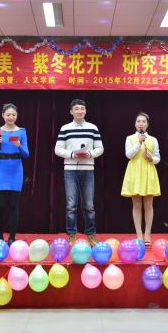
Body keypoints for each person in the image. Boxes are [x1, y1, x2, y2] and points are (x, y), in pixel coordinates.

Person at [54, 99, 104, 246]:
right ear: (71, 111)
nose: (79, 111)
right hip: (70, 170)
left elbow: (100, 148)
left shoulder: (93, 128)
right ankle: (71, 235)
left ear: (85, 111)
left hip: (88, 169)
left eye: (82, 108)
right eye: (76, 109)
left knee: (89, 205)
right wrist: (72, 154)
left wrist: (89, 154)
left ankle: (91, 235)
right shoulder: (65, 128)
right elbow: (57, 149)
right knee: (71, 205)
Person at [0, 103, 29, 245]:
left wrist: (19, 146)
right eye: (8, 115)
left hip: (16, 170)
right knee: (0, 206)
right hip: (0, 170)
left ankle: (12, 238)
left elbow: (26, 154)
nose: (11, 117)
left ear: (16, 116)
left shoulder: (21, 132)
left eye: (13, 115)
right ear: (3, 115)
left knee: (13, 205)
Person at [121, 112, 160, 246]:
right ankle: (139, 234)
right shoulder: (130, 138)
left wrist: (151, 158)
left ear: (147, 124)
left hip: (148, 171)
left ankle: (147, 234)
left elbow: (157, 158)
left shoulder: (153, 140)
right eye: (138, 121)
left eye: (143, 121)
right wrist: (138, 143)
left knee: (148, 204)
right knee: (136, 204)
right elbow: (129, 155)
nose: (141, 124)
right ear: (135, 124)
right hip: (134, 172)